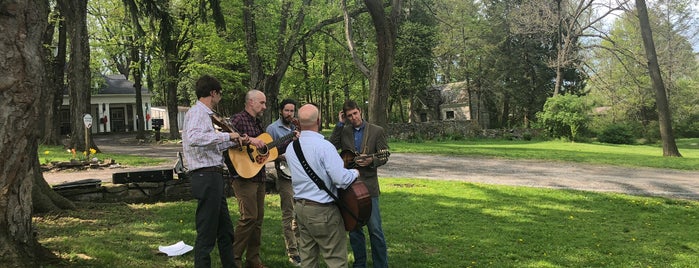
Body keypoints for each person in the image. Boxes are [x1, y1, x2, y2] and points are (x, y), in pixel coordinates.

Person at [182, 75, 245, 268]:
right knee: (207, 230)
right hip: (205, 175)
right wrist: (227, 134)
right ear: (213, 93)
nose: (220, 98)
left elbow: (210, 144)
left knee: (225, 230)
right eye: (219, 94)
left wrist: (232, 140)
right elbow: (194, 138)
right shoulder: (198, 113)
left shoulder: (206, 115)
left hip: (213, 175)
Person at [286, 104, 359, 268]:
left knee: (308, 259)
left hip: (300, 209)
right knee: (336, 260)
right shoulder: (325, 147)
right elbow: (340, 179)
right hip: (323, 210)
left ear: (298, 122)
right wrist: (355, 173)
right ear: (318, 121)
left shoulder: (292, 147)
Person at [330, 100, 390, 268]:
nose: (353, 117)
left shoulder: (376, 131)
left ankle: (381, 265)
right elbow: (331, 146)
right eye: (349, 116)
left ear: (360, 111)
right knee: (355, 230)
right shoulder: (345, 131)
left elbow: (384, 155)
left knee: (375, 230)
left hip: (369, 188)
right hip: (349, 188)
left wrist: (371, 159)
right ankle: (359, 264)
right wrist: (339, 125)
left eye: (355, 113)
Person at [229, 89, 269, 268]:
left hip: (258, 176)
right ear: (251, 102)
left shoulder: (257, 123)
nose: (265, 107)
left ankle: (253, 261)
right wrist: (250, 140)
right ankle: (233, 259)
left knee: (258, 220)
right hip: (243, 176)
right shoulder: (238, 119)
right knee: (249, 217)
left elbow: (262, 150)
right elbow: (228, 141)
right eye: (262, 103)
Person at [265, 99, 301, 266]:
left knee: (300, 213)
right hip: (285, 175)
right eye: (286, 110)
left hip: (300, 175)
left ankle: (301, 246)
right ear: (281, 111)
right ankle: (292, 252)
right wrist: (281, 156)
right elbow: (266, 152)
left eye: (292, 111)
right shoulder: (272, 129)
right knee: (289, 213)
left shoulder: (296, 128)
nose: (289, 114)